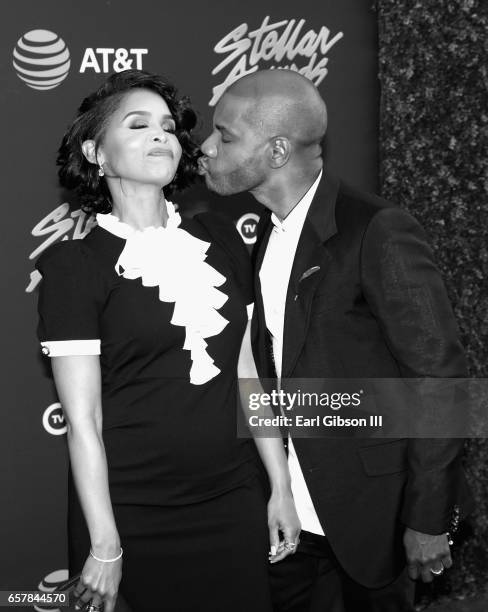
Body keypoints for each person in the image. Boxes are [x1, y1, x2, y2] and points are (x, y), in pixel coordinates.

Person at [198, 69, 472, 612]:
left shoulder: (377, 228)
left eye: (225, 136)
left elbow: (440, 379)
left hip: (374, 516)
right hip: (287, 517)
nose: (206, 148)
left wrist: (428, 518)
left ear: (277, 150)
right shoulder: (266, 234)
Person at [36, 69, 300, 612]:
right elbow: (82, 420)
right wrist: (105, 544)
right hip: (131, 511)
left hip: (232, 497)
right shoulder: (74, 266)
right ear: (96, 152)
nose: (161, 136)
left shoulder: (220, 238)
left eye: (166, 127)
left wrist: (280, 484)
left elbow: (248, 372)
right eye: (139, 125)